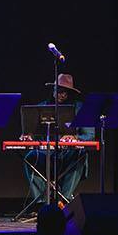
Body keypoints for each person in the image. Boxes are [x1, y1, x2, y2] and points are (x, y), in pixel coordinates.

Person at [21, 74, 94, 214]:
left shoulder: (80, 108)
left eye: (65, 91)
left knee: (80, 154)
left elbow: (90, 135)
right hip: (47, 155)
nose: (62, 94)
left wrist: (75, 138)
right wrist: (28, 136)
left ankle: (64, 201)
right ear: (53, 89)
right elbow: (32, 132)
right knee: (30, 156)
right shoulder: (42, 107)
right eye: (59, 90)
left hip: (69, 155)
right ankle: (43, 203)